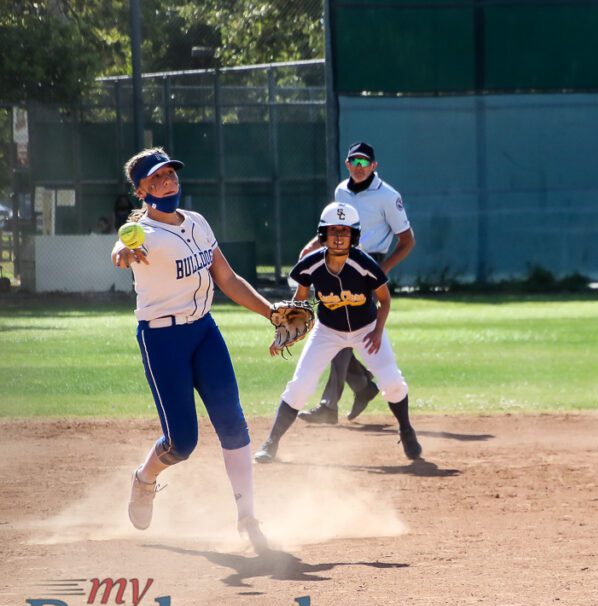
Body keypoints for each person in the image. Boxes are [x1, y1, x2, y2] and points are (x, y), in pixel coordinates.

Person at [111, 147, 274, 552]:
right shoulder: (141, 234)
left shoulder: (197, 222)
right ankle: (144, 478)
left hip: (204, 331)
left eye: (170, 173)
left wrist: (271, 313)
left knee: (233, 423)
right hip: (163, 341)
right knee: (181, 443)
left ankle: (247, 517)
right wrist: (123, 252)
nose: (167, 180)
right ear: (141, 190)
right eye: (156, 177)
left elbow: (228, 279)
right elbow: (121, 251)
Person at [254, 201, 422, 463]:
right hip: (328, 330)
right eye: (333, 230)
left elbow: (385, 300)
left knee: (393, 382)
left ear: (354, 235)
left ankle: (406, 429)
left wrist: (378, 331)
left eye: (345, 231)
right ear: (323, 234)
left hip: (366, 329)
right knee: (300, 385)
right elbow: (300, 303)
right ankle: (271, 443)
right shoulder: (310, 265)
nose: (339, 237)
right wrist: (284, 333)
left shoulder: (365, 265)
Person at [297, 141, 415, 425]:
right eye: (354, 161)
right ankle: (362, 386)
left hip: (368, 264)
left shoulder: (388, 196)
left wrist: (381, 270)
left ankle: (330, 405)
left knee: (343, 328)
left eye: (364, 162)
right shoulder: (341, 191)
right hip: (337, 261)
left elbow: (407, 240)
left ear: (374, 166)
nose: (359, 167)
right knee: (336, 328)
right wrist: (314, 245)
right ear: (347, 164)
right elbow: (336, 229)